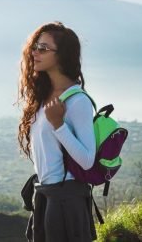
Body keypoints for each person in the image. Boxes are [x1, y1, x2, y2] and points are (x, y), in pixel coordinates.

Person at [17, 21, 97, 241]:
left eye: (43, 48)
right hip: (47, 195)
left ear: (62, 55)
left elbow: (88, 160)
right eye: (34, 47)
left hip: (66, 199)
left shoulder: (77, 101)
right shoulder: (44, 96)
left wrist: (59, 126)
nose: (34, 53)